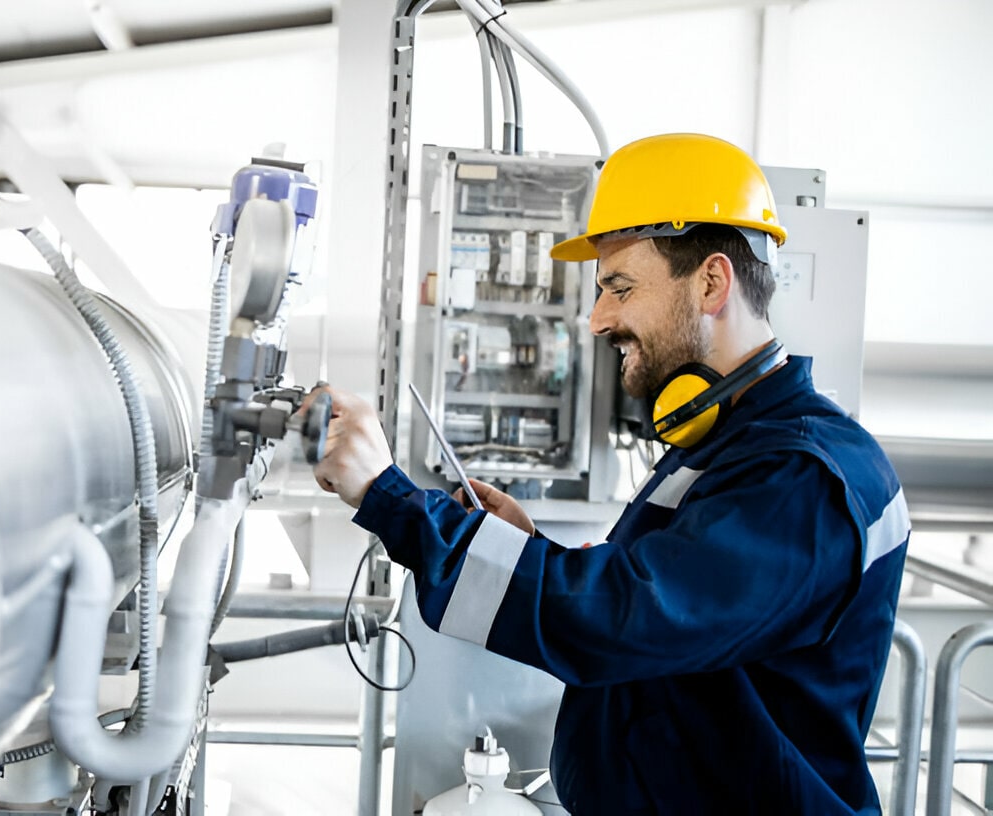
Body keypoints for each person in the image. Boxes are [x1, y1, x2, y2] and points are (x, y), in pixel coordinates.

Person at [311, 133, 909, 814]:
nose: (598, 320)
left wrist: (389, 499)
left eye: (619, 288)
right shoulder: (728, 443)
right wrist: (526, 550)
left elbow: (625, 620)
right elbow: (667, 610)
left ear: (711, 281)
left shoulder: (803, 476)